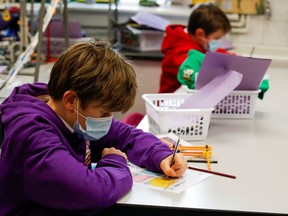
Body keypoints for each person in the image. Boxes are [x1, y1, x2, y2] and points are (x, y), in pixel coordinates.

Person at [0, 40, 187, 216]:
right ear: (71, 100)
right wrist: (115, 161)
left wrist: (161, 155)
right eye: (105, 113)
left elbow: (124, 135)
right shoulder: (32, 135)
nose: (108, 120)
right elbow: (90, 191)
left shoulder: (71, 115)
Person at [159, 3, 231, 93]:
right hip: (170, 101)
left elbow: (209, 54)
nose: (218, 41)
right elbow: (194, 70)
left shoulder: (197, 42)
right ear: (200, 34)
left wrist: (232, 58)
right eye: (216, 38)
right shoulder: (181, 52)